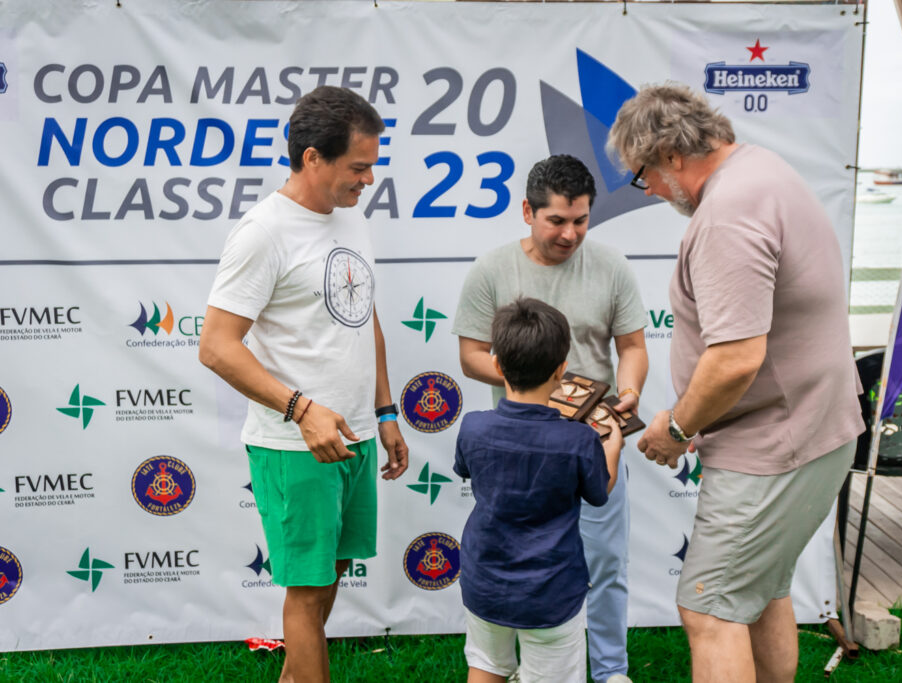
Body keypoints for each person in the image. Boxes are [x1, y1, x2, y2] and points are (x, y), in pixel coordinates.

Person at [607, 84, 863, 683]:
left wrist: (676, 426)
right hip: (811, 428)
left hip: (776, 444)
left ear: (670, 154)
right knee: (759, 593)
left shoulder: (728, 211)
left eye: (642, 175)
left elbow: (735, 360)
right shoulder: (764, 170)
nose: (649, 190)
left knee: (709, 607)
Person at [198, 85, 409, 683]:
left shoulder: (351, 217)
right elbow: (215, 346)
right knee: (309, 591)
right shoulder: (263, 231)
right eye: (358, 167)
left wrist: (385, 412)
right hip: (297, 443)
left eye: (371, 166)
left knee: (330, 577)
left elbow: (364, 316)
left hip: (356, 434)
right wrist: (300, 409)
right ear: (312, 157)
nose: (368, 180)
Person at [452, 154, 648, 683]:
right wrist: (545, 388)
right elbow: (471, 356)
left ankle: (609, 670)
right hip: (520, 451)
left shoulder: (611, 266)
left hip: (597, 436)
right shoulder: (491, 269)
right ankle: (522, 664)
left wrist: (627, 393)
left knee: (605, 563)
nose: (570, 233)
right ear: (527, 212)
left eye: (580, 220)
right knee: (523, 562)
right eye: (556, 220)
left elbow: (632, 346)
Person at [455, 297, 624, 683]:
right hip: (551, 591)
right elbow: (600, 492)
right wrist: (610, 451)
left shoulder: (473, 427)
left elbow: (466, 469)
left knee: (485, 664)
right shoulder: (580, 440)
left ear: (497, 365)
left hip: (484, 580)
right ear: (562, 369)